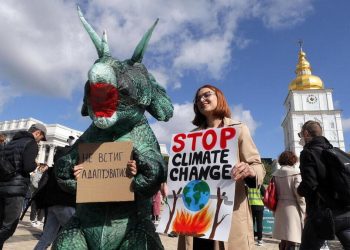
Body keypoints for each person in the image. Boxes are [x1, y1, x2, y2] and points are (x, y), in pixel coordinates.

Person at [177, 84, 266, 250]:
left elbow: (257, 164)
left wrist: (250, 171)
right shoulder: (190, 137)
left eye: (206, 95)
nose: (201, 100)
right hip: (197, 215)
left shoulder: (239, 129)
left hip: (229, 212)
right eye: (197, 99)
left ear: (219, 97)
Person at [297, 120, 350, 249]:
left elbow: (310, 184)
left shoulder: (308, 152)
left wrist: (299, 190)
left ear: (306, 133)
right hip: (346, 209)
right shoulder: (335, 151)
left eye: (300, 135)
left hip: (323, 212)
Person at [0, 123, 47, 249]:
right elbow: (27, 167)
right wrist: (35, 164)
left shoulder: (10, 143)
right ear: (37, 133)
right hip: (16, 188)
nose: (40, 140)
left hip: (3, 186)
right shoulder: (31, 143)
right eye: (41, 137)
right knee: (9, 226)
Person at [33, 141, 76, 250]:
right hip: (65, 203)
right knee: (75, 234)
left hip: (52, 204)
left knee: (46, 238)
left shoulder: (54, 167)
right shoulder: (70, 166)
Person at [272, 151, 306, 249]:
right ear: (293, 160)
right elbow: (300, 195)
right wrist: (304, 210)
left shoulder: (275, 175)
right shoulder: (295, 173)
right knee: (292, 238)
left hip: (279, 207)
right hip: (292, 208)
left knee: (283, 238)